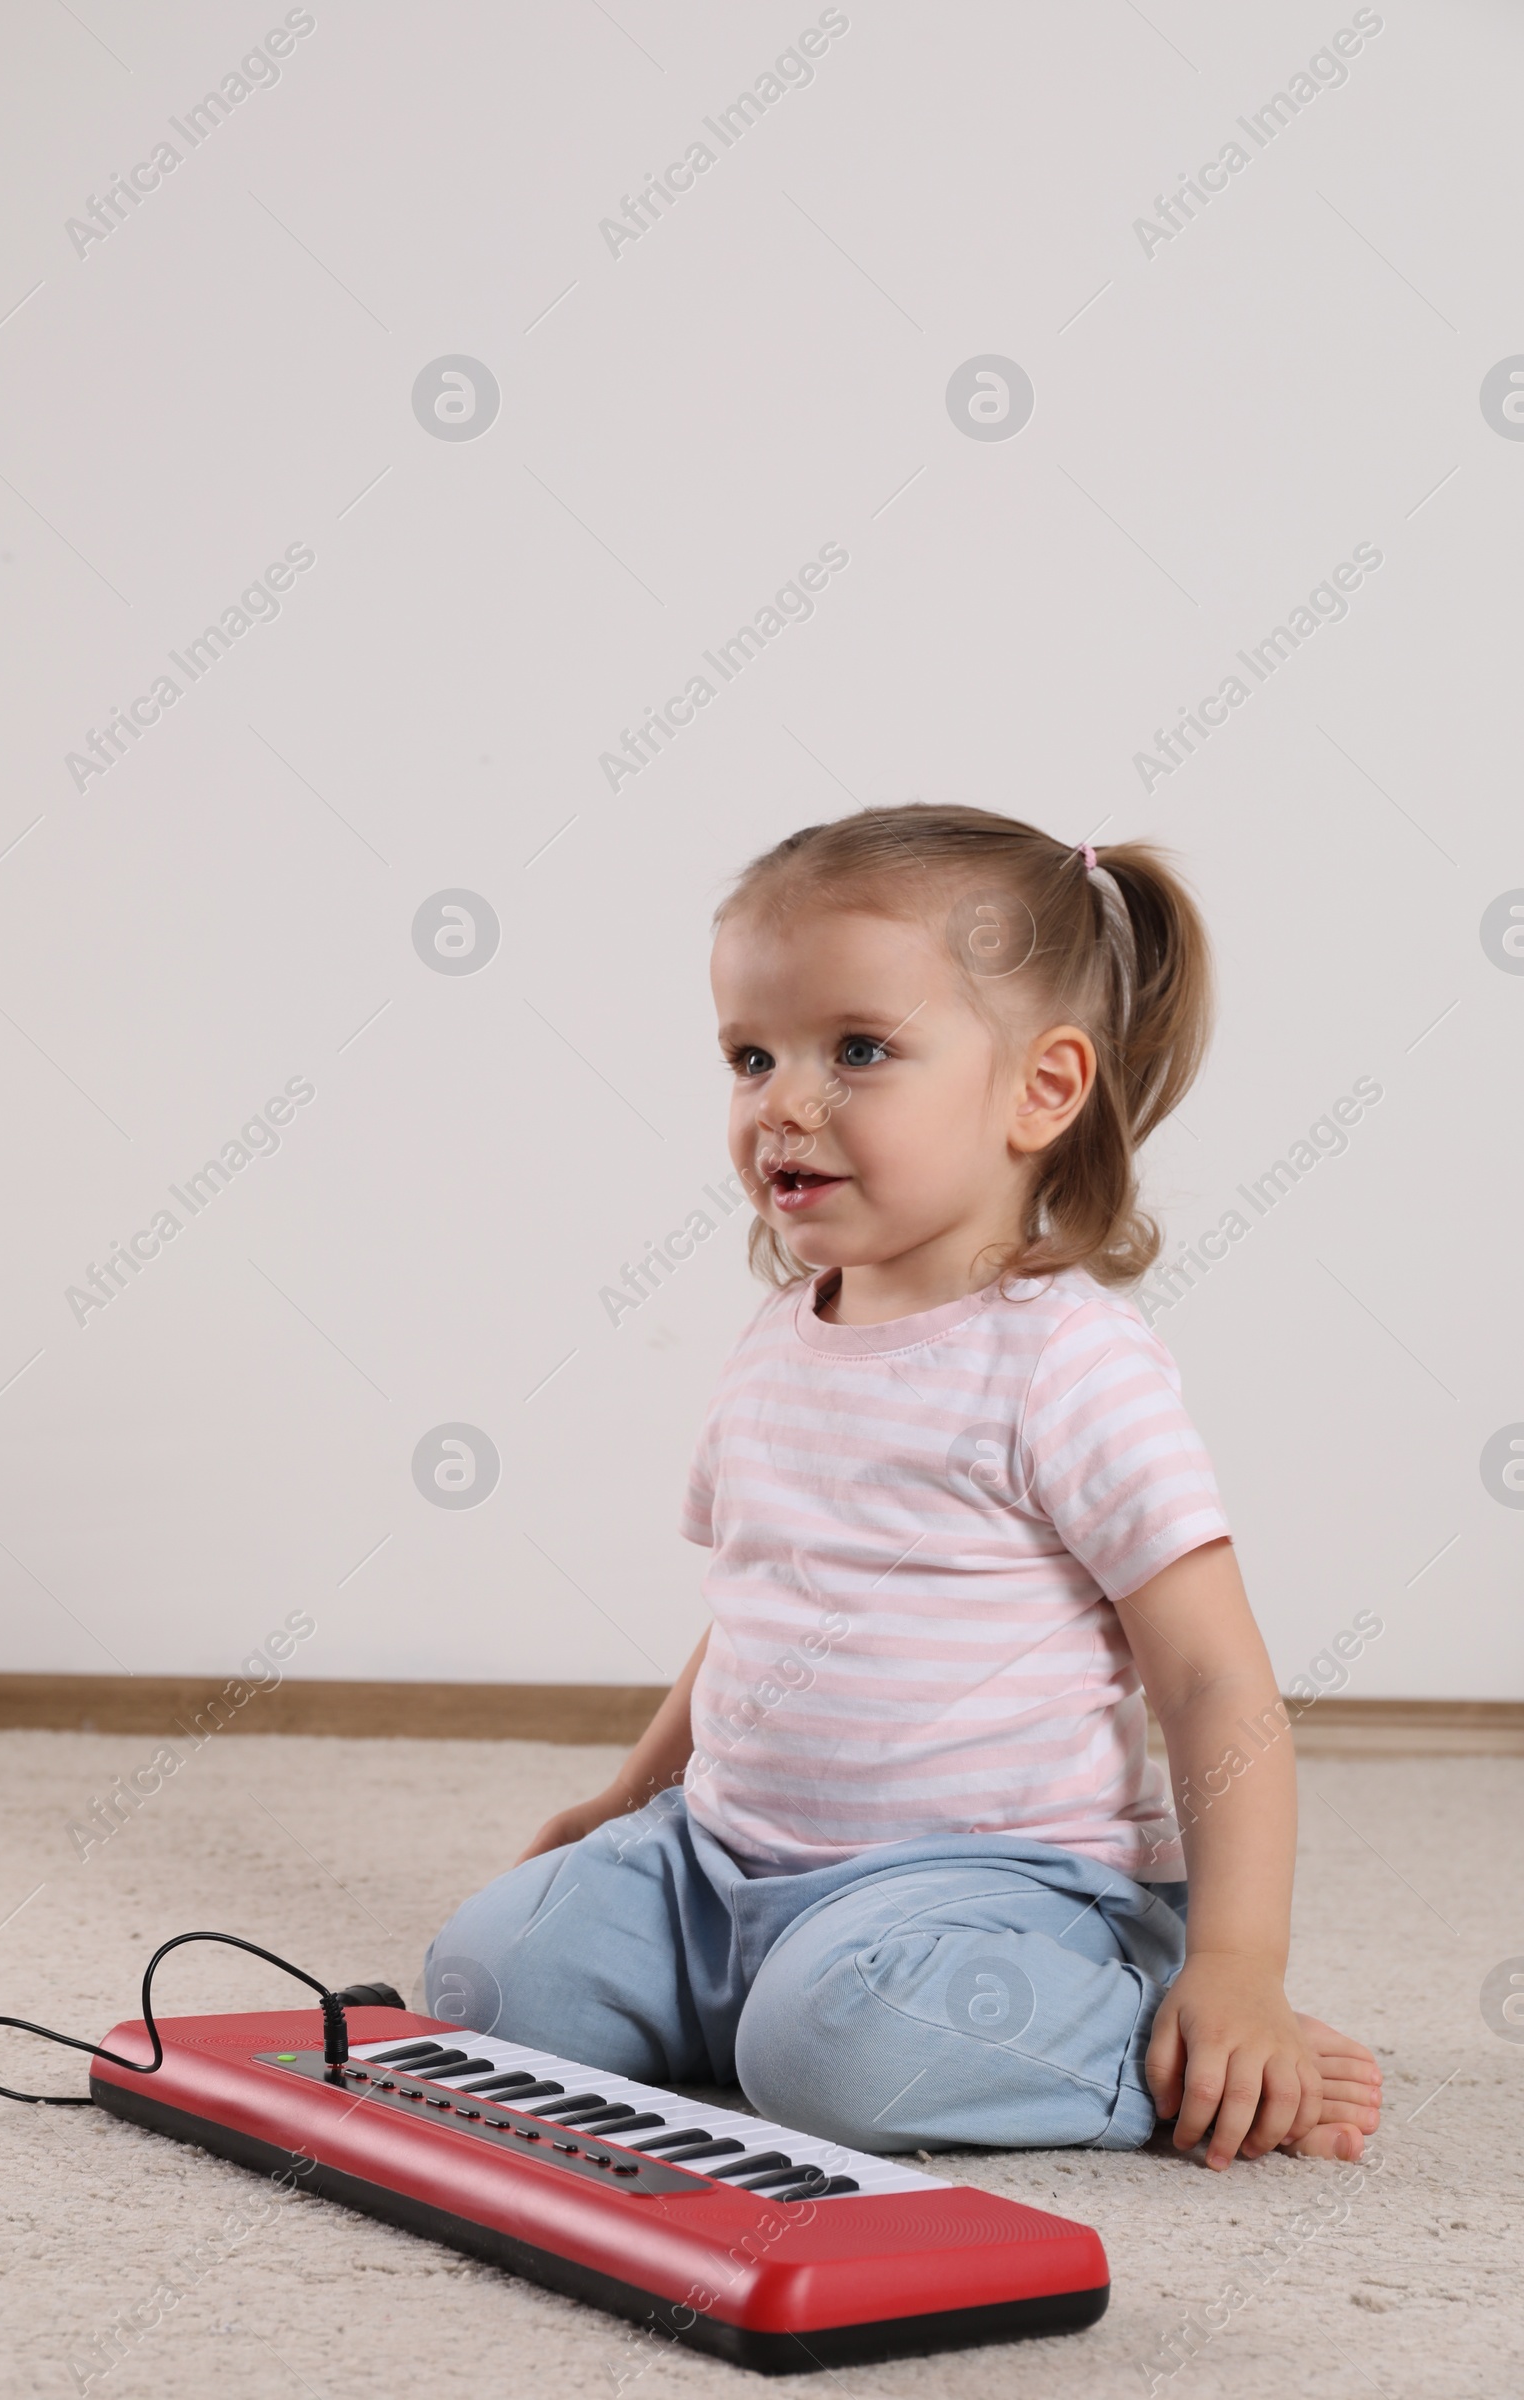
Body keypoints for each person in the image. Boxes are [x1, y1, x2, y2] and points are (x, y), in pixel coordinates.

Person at [426, 804, 1382, 2172]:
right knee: (490, 1981)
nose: (784, 1105)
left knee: (837, 2051)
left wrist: (1235, 1963)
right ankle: (757, 2003)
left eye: (858, 1051)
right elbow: (756, 1608)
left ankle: (1143, 2055)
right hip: (728, 1864)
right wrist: (634, 1798)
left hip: (994, 1888)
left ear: (1040, 1092)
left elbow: (1217, 1685)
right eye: (751, 1057)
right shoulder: (779, 1340)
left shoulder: (1068, 1362)